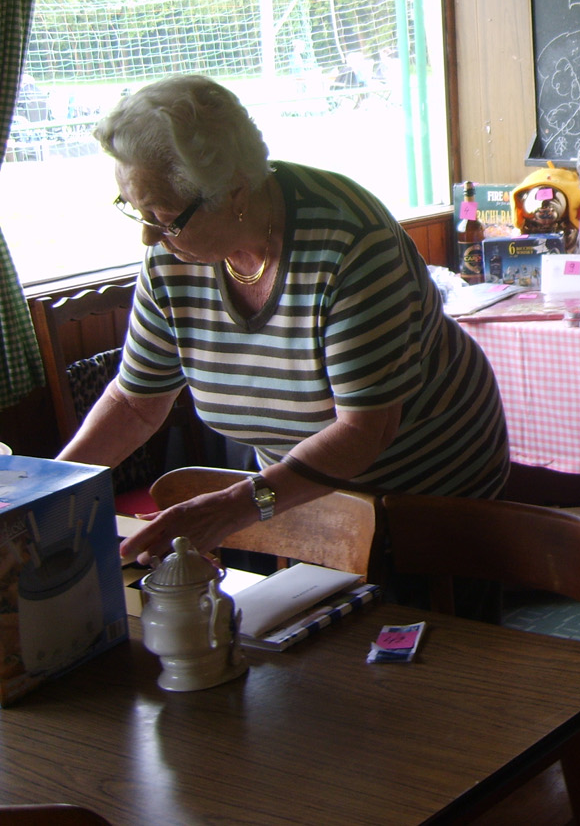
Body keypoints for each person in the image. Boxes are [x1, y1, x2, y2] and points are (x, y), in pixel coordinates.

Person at [60, 75, 510, 565]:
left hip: (424, 486)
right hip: (299, 489)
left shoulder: (350, 241)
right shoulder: (174, 255)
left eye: (162, 215)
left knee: (403, 611)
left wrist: (234, 507)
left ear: (234, 194)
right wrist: (51, 489)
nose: (148, 237)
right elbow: (135, 402)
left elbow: (364, 431)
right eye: (134, 209)